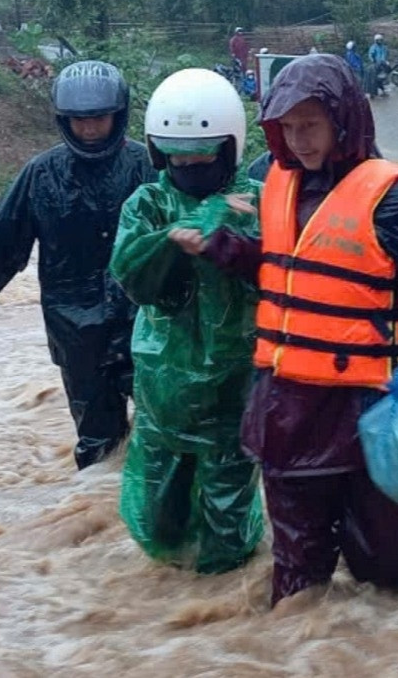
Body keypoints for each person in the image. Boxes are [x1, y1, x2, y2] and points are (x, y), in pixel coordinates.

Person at [169, 54, 398, 606]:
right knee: (297, 576)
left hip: (367, 412)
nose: (299, 140)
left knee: (391, 570)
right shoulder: (277, 185)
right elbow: (285, 270)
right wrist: (223, 248)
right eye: (287, 128)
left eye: (309, 125)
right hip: (286, 411)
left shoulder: (397, 198)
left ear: (344, 119)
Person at [0, 61, 157, 470]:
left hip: (145, 323)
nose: (90, 129)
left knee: (162, 429)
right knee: (98, 443)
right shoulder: (42, 175)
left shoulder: (148, 167)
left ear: (119, 114)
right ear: (64, 120)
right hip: (75, 331)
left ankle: (149, 524)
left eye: (98, 118)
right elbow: (1, 242)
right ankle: (94, 518)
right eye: (79, 121)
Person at [109, 68, 264, 574]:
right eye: (177, 155)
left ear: (229, 148)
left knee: (228, 529)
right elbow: (131, 274)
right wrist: (174, 236)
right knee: (160, 521)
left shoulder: (257, 202)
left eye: (202, 154)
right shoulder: (149, 203)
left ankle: (223, 613)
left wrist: (229, 232)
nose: (189, 164)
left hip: (233, 389)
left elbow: (283, 272)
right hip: (164, 390)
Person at [367, 34, 390, 98]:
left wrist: (386, 61)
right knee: (374, 78)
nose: (380, 41)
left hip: (383, 64)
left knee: (382, 78)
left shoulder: (384, 47)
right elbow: (370, 55)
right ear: (376, 41)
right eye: (378, 40)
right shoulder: (373, 47)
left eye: (381, 40)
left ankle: (381, 89)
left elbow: (386, 54)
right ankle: (373, 92)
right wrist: (373, 61)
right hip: (376, 65)